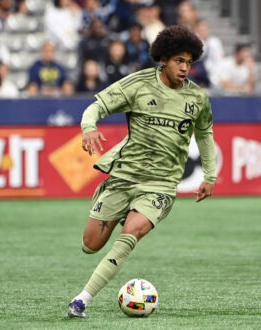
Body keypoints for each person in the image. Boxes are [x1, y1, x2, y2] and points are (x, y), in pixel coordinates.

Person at [68, 25, 216, 318]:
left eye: (189, 62)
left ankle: (82, 299)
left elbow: (205, 135)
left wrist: (210, 176)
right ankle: (119, 207)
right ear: (163, 58)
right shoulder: (137, 84)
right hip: (125, 176)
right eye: (179, 61)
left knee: (130, 235)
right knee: (90, 245)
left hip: (161, 185)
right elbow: (95, 107)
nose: (185, 68)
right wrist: (88, 128)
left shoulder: (197, 99)